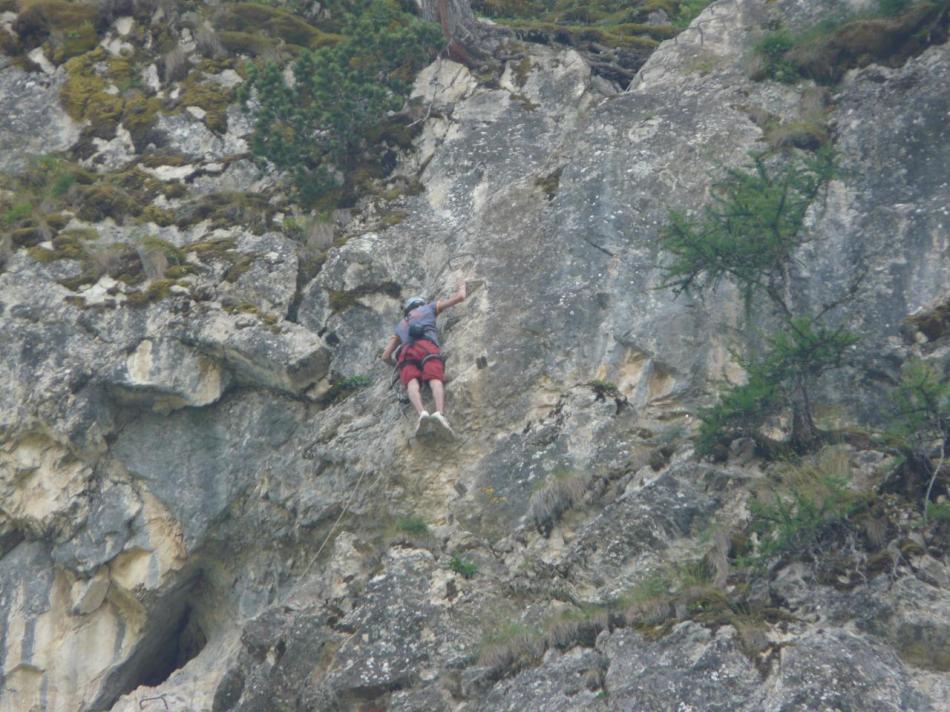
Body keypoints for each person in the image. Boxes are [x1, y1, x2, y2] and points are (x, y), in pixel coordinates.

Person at [381, 282, 466, 437]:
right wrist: (462, 285)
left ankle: (422, 414)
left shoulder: (401, 325)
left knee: (412, 383)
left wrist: (398, 366)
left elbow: (385, 356)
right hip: (427, 346)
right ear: (420, 304)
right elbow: (460, 297)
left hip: (406, 353)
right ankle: (439, 414)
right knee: (435, 379)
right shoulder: (429, 308)